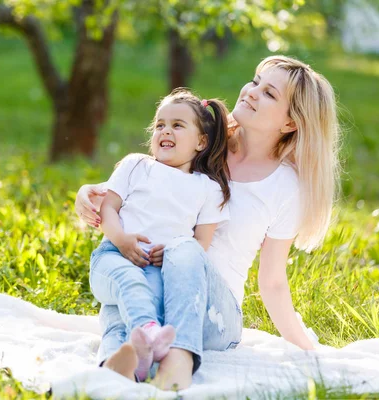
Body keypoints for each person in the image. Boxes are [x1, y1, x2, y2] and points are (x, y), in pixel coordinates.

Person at [75, 55, 341, 390]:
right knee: (132, 287)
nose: (252, 92)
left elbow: (272, 282)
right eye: (256, 80)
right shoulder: (207, 141)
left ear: (290, 123)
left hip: (215, 313)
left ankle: (180, 360)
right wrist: (90, 191)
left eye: (270, 93)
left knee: (184, 248)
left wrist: (307, 351)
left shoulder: (285, 187)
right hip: (157, 281)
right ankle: (118, 363)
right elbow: (150, 184)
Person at [89, 89, 232, 381]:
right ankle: (150, 332)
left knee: (130, 311)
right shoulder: (136, 166)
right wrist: (122, 240)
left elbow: (199, 244)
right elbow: (108, 210)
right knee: (131, 286)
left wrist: (167, 251)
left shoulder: (208, 188)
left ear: (201, 141)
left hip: (157, 266)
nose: (166, 130)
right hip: (113, 257)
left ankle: (121, 365)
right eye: (160, 125)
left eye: (178, 125)